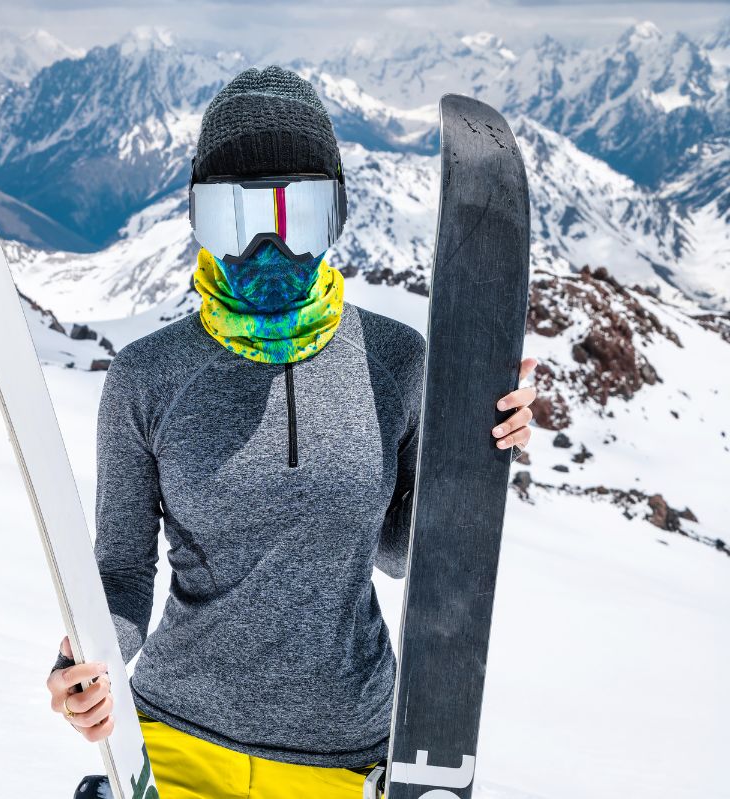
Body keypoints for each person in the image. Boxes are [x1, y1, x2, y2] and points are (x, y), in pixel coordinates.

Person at [45, 64, 537, 799]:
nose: (268, 256)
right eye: (235, 224)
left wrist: (478, 452)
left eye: (297, 218)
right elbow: (120, 574)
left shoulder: (396, 362)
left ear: (334, 219)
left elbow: (405, 554)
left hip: (344, 755)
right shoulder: (147, 378)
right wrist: (89, 664)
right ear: (197, 225)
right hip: (177, 741)